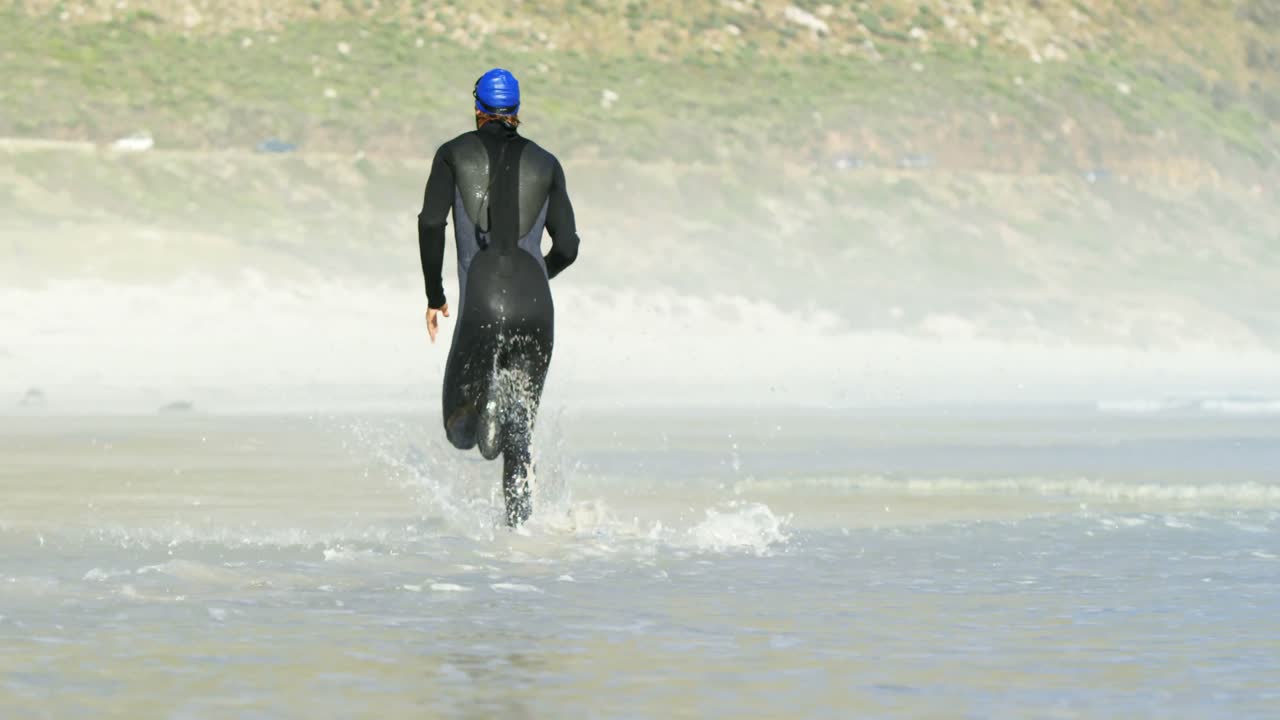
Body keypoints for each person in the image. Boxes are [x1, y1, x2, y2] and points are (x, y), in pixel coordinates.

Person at [417, 68, 580, 527]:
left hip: (482, 301)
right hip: (536, 304)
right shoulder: (548, 163)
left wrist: (434, 295)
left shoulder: (452, 154)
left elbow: (430, 223)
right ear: (517, 110)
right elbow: (568, 247)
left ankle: (487, 408)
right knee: (519, 437)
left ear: (477, 108)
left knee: (461, 431)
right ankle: (520, 538)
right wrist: (538, 277)